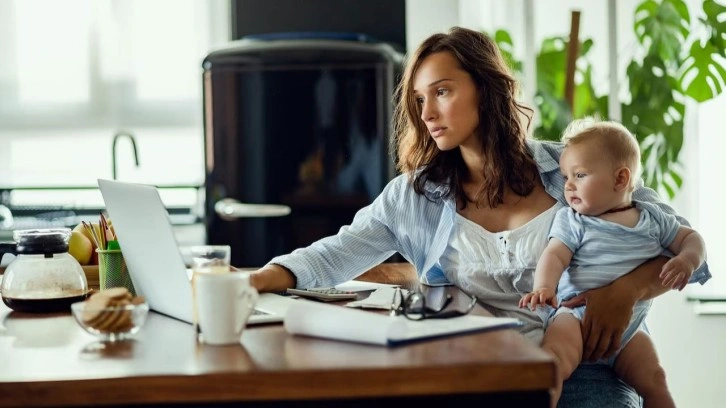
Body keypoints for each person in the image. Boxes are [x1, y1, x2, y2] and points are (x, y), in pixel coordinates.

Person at [248, 27, 711, 407]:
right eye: (419, 99)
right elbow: (333, 256)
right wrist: (252, 281)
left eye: (443, 92)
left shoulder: (570, 168)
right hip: (476, 376)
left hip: (587, 375)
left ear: (487, 90)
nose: (427, 113)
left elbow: (682, 247)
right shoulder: (414, 197)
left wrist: (626, 290)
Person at [519, 118, 706, 408]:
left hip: (629, 329)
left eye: (578, 175)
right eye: (566, 177)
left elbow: (691, 238)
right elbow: (554, 254)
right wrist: (544, 287)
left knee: (655, 379)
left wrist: (687, 259)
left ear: (620, 179)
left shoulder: (653, 219)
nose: (567, 186)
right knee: (553, 366)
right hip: (574, 317)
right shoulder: (574, 220)